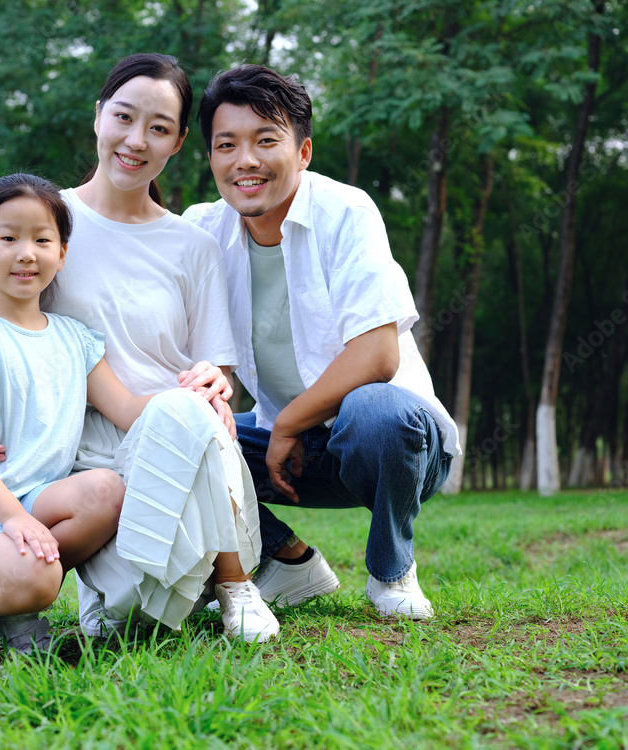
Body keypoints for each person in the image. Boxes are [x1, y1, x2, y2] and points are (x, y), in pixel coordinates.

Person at [0, 55, 280, 643]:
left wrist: (215, 383)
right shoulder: (46, 225)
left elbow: (215, 368)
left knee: (180, 408)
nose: (136, 140)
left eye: (159, 128)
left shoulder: (192, 246)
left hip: (186, 448)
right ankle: (112, 589)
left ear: (179, 142)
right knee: (129, 616)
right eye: (124, 117)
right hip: (85, 459)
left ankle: (234, 582)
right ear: (98, 116)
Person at [184, 64, 460, 620]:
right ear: (211, 157)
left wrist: (287, 423)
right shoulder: (201, 230)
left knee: (375, 408)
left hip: (394, 443)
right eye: (227, 145)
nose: (246, 161)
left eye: (267, 140)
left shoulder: (346, 212)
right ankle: (288, 561)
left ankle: (391, 571)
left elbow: (378, 355)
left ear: (303, 151)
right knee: (170, 432)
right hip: (290, 452)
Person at [0, 173, 160, 663]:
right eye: (9, 238)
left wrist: (193, 394)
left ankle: (16, 605)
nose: (26, 253)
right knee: (41, 578)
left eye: (42, 239)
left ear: (61, 253)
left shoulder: (75, 339)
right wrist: (13, 518)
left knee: (107, 490)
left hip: (31, 500)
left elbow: (127, 408)